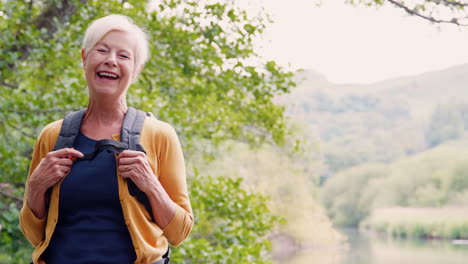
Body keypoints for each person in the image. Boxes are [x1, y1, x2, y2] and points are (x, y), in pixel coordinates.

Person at [19, 14, 194, 264]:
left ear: (136, 70)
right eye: (102, 50)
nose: (111, 61)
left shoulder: (159, 135)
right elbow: (35, 236)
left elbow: (180, 232)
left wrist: (151, 185)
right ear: (84, 58)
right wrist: (36, 187)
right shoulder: (53, 135)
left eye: (123, 56)